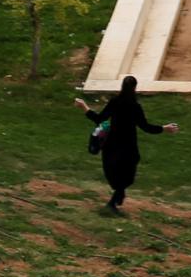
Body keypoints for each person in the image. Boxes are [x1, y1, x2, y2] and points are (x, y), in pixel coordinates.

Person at [75, 75, 176, 213]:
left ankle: (115, 198)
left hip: (112, 145)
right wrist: (164, 128)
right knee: (127, 176)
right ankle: (117, 196)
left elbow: (99, 119)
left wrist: (84, 106)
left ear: (122, 86)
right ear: (135, 88)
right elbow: (146, 127)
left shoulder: (114, 102)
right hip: (128, 146)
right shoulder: (136, 107)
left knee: (113, 174)